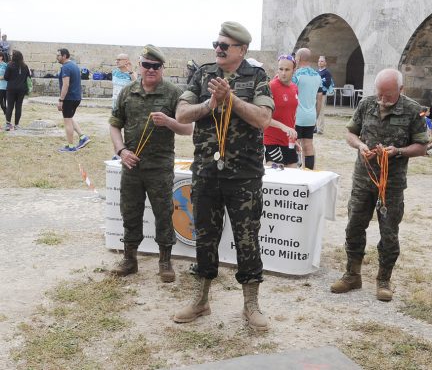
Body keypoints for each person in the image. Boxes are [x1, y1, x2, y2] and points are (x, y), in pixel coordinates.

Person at [173, 21, 274, 331]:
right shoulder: (202, 74)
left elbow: (263, 119)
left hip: (244, 176)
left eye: (225, 46)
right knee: (204, 237)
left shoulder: (256, 77)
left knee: (247, 240)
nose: (218, 49)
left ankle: (251, 305)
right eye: (216, 44)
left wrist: (231, 99)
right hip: (205, 172)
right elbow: (181, 114)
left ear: (241, 50)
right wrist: (210, 102)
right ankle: (201, 300)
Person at [330, 68, 428, 301]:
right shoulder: (367, 104)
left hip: (391, 183)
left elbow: (422, 147)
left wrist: (398, 151)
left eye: (389, 96)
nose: (383, 100)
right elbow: (350, 134)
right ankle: (352, 274)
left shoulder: (413, 110)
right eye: (380, 94)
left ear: (401, 90)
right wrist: (360, 145)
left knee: (389, 232)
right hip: (363, 179)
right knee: (354, 225)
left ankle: (384, 280)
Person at [109, 44, 192, 282]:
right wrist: (121, 150)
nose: (151, 70)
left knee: (163, 213)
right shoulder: (127, 92)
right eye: (146, 65)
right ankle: (129, 259)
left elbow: (188, 128)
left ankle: (165, 261)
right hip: (132, 166)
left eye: (156, 66)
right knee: (130, 211)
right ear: (139, 66)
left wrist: (169, 122)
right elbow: (114, 124)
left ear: (162, 68)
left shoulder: (174, 94)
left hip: (159, 166)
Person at [264, 54, 299, 168]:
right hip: (272, 140)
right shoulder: (271, 87)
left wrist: (294, 137)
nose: (283, 73)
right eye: (281, 69)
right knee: (277, 177)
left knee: (293, 176)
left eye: (287, 70)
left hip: (288, 141)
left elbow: (291, 115)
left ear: (294, 70)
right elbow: (263, 117)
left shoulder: (294, 88)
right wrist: (283, 127)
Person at [293, 48, 323, 169]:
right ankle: (309, 171)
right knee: (308, 144)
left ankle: (294, 168)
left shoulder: (297, 75)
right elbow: (320, 98)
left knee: (295, 143)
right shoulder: (317, 76)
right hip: (311, 115)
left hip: (297, 115)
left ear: (298, 58)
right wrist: (316, 115)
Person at [56, 48, 90, 152]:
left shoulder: (66, 67)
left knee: (67, 121)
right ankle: (83, 137)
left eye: (58, 55)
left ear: (64, 56)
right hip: (76, 97)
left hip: (69, 98)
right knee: (69, 118)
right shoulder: (74, 65)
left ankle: (71, 147)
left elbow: (65, 85)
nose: (56, 57)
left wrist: (61, 100)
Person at [3, 50, 31, 130]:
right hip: (21, 89)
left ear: (14, 57)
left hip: (11, 89)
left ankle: (8, 124)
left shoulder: (9, 65)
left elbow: (6, 77)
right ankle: (17, 125)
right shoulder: (25, 66)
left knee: (10, 106)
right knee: (18, 107)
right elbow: (28, 77)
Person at [316, 55, 333, 134]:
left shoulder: (327, 73)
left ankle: (320, 129)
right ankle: (315, 127)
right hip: (315, 94)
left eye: (322, 61)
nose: (320, 62)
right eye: (319, 61)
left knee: (321, 111)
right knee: (315, 111)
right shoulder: (317, 72)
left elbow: (327, 83)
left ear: (325, 63)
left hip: (322, 94)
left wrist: (320, 82)